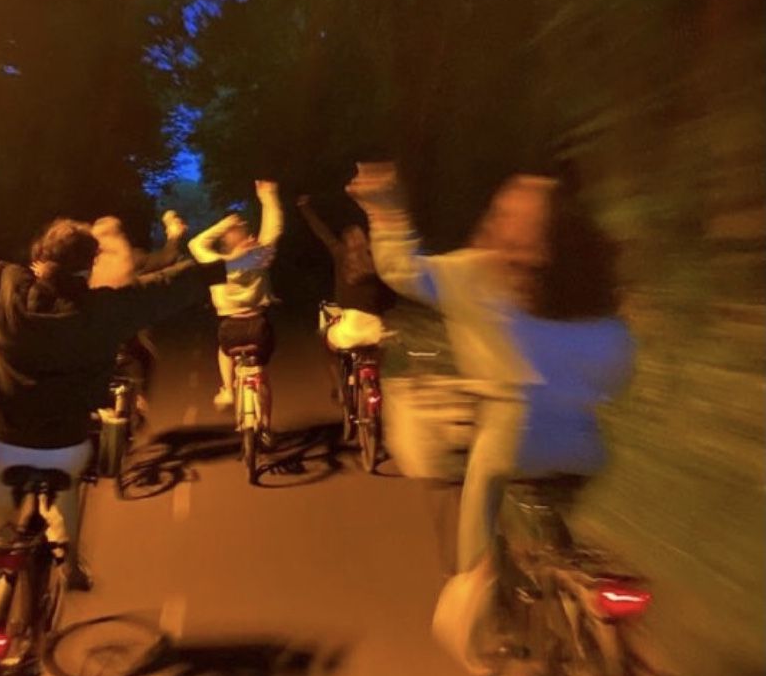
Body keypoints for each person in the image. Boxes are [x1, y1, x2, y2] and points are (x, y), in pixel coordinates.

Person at [0, 137, 266, 641]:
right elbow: (168, 288)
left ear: (38, 257)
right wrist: (228, 266)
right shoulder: (105, 310)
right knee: (69, 498)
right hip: (64, 444)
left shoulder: (5, 285)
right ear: (86, 267)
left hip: (5, 438)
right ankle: (68, 561)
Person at [346, 162, 634, 578]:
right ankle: (563, 570)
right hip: (586, 442)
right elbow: (616, 368)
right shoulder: (583, 285)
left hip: (514, 438)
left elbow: (401, 270)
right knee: (556, 513)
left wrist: (385, 211)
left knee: (481, 498)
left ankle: (479, 599)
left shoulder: (475, 272)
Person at [187, 180, 282, 410]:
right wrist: (269, 197)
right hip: (259, 326)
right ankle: (266, 427)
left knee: (224, 350)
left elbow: (196, 243)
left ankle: (228, 390)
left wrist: (225, 223)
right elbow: (274, 229)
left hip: (230, 329)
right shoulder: (258, 256)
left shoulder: (216, 263)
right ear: (247, 236)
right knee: (264, 375)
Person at [297, 194, 395, 402]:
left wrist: (305, 209)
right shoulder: (377, 262)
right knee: (381, 353)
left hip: (349, 329)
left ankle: (338, 385)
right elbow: (388, 296)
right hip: (375, 330)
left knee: (324, 340)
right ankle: (376, 382)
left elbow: (323, 233)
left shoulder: (340, 253)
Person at [89, 209, 189, 403]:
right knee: (145, 357)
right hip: (125, 335)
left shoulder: (87, 259)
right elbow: (167, 259)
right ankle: (142, 399)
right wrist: (174, 235)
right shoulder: (131, 257)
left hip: (92, 335)